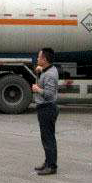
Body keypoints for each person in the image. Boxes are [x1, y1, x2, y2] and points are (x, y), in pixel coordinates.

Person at [31, 47, 59, 175]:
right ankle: (48, 162)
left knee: (48, 138)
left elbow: (49, 94)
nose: (37, 59)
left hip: (47, 108)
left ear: (45, 59)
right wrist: (40, 71)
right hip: (45, 108)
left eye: (39, 57)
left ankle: (51, 166)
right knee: (46, 137)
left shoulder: (50, 75)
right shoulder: (49, 69)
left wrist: (37, 90)